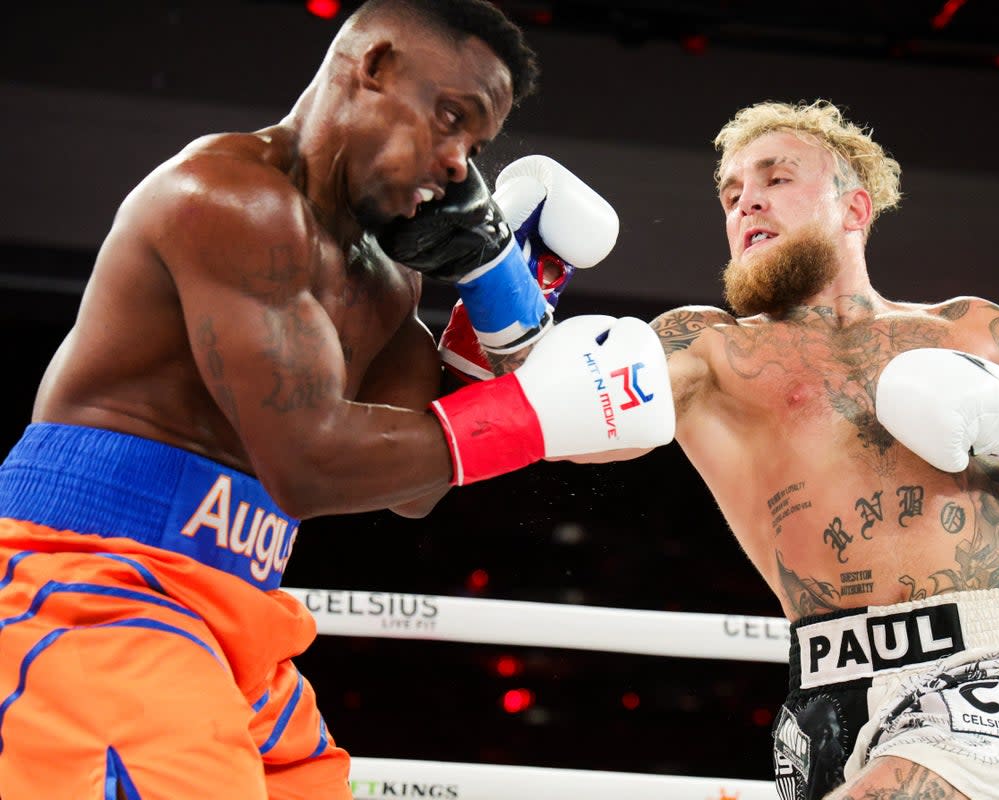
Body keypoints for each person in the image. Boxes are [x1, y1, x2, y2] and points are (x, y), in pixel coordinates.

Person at [0, 2, 674, 798]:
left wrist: (486, 319)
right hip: (90, 589)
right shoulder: (227, 199)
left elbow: (417, 489)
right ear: (376, 66)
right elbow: (309, 465)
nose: (459, 163)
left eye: (476, 145)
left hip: (239, 610)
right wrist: (533, 415)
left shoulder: (385, 275)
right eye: (449, 117)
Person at [518, 99, 999, 799]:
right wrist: (510, 286)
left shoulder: (972, 331)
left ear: (855, 207)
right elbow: (554, 423)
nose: (748, 203)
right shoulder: (707, 350)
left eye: (776, 179)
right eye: (732, 193)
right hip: (824, 703)